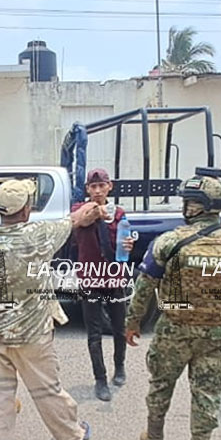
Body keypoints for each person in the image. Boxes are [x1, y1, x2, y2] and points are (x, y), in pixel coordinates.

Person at [124, 172, 221, 440]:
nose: (185, 206)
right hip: (219, 332)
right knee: (207, 393)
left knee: (161, 384)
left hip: (175, 328)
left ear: (197, 206)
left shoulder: (170, 241)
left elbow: (144, 287)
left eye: (188, 202)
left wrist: (132, 322)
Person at [0, 179, 97, 440]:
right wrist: (94, 205)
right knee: (47, 390)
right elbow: (77, 219)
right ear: (25, 210)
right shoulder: (40, 234)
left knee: (0, 397)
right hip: (34, 334)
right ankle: (70, 437)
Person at [71, 167, 134, 401]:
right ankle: (100, 378)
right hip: (91, 278)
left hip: (114, 276)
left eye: (101, 185)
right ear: (87, 189)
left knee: (119, 328)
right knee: (94, 332)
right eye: (93, 186)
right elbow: (80, 220)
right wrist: (99, 211)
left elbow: (126, 239)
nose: (97, 190)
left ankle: (120, 367)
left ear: (110, 186)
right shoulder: (81, 208)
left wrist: (128, 244)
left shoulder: (119, 213)